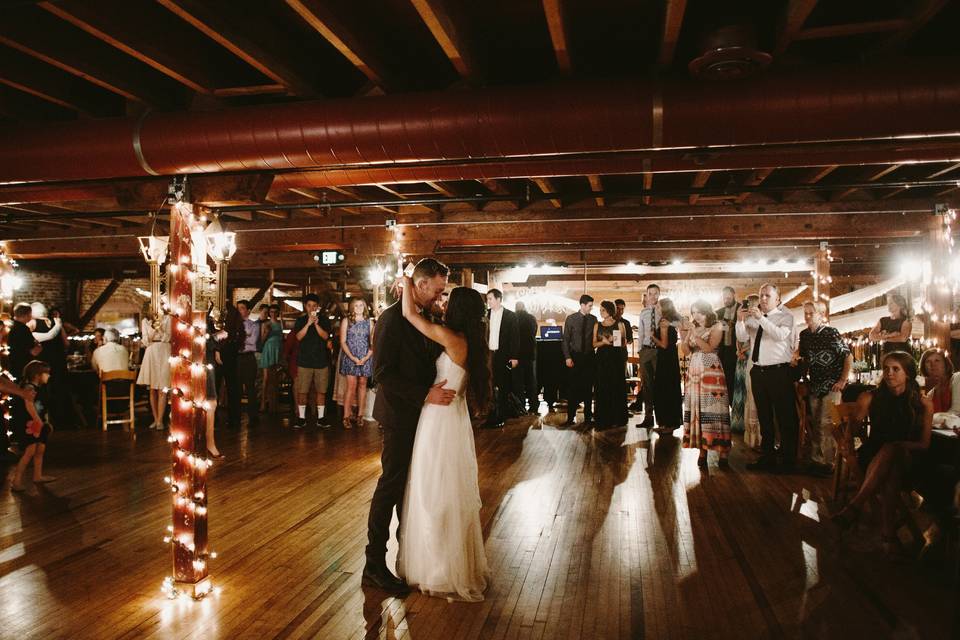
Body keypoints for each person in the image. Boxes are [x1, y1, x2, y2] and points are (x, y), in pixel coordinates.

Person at [396, 275, 491, 601]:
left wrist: (406, 280)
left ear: (459, 309)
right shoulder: (469, 341)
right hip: (452, 418)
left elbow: (409, 315)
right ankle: (444, 564)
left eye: (449, 301)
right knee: (445, 490)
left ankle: (438, 568)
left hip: (438, 419)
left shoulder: (453, 339)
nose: (443, 303)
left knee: (433, 491)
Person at [363, 258, 454, 595]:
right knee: (390, 487)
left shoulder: (426, 316)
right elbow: (382, 373)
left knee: (411, 490)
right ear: (419, 284)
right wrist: (425, 395)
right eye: (438, 290)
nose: (440, 297)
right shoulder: (390, 319)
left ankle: (407, 557)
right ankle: (374, 564)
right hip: (399, 416)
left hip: (423, 418)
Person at [831, 352, 933, 556]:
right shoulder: (869, 397)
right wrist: (846, 443)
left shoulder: (923, 403)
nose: (889, 373)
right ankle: (888, 535)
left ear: (908, 374)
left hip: (908, 458)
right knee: (890, 469)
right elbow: (851, 431)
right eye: (886, 368)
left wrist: (897, 445)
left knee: (892, 449)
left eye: (896, 369)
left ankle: (856, 505)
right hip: (873, 460)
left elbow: (923, 444)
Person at [736, 284, 800, 473]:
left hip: (779, 372)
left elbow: (779, 335)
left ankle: (788, 461)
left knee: (785, 417)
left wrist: (761, 318)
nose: (763, 299)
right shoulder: (756, 318)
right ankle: (768, 457)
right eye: (761, 295)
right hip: (758, 371)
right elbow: (742, 337)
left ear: (777, 299)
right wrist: (740, 320)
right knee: (764, 416)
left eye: (767, 296)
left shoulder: (786, 317)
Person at [797, 301, 852, 476]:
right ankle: (816, 460)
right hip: (814, 384)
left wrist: (842, 380)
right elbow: (804, 358)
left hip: (832, 384)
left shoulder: (831, 333)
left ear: (821, 315)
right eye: (805, 313)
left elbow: (847, 355)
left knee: (827, 423)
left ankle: (828, 462)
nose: (807, 316)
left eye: (811, 313)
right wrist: (803, 378)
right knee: (816, 424)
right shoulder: (804, 335)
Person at [680, 300, 732, 468]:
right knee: (699, 410)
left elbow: (710, 348)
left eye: (699, 313)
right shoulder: (694, 328)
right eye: (693, 312)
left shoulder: (717, 325)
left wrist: (694, 335)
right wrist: (684, 336)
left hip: (711, 369)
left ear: (707, 312)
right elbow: (686, 351)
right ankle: (702, 450)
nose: (696, 316)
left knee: (714, 408)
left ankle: (723, 452)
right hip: (695, 370)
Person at [10, 360, 56, 492]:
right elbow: (29, 405)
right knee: (29, 452)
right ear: (37, 375)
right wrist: (38, 420)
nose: (49, 376)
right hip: (32, 424)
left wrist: (45, 421)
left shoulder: (39, 389)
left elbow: (43, 407)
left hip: (39, 423)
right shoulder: (29, 389)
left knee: (40, 449)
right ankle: (16, 480)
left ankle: (37, 475)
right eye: (46, 373)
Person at [293, 293, 333, 429]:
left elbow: (325, 336)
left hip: (321, 361)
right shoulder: (300, 321)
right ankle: (301, 418)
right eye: (309, 305)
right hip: (304, 361)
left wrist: (316, 325)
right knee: (302, 391)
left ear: (318, 307)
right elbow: (298, 337)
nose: (311, 308)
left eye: (314, 306)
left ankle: (321, 418)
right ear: (305, 306)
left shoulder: (324, 320)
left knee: (321, 391)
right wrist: (308, 324)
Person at [484, 289, 518, 428]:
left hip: (503, 355)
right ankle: (490, 416)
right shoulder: (486, 314)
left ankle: (502, 416)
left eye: (490, 298)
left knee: (503, 385)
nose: (488, 301)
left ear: (498, 299)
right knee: (489, 385)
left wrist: (514, 357)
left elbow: (515, 337)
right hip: (488, 354)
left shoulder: (510, 315)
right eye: (488, 299)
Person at [339, 298, 375, 429]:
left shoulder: (369, 323)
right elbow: (343, 342)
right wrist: (353, 358)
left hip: (365, 357)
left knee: (362, 385)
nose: (359, 308)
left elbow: (373, 343)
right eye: (356, 306)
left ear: (364, 307)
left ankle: (360, 416)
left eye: (361, 305)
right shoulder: (346, 321)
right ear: (352, 307)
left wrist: (366, 358)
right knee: (351, 386)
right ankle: (346, 416)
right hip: (350, 357)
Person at [731, 295, 761, 449]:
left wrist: (744, 350)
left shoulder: (761, 319)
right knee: (743, 391)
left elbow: (752, 341)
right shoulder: (745, 320)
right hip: (743, 357)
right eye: (749, 304)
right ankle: (742, 425)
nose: (750, 306)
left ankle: (759, 436)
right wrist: (738, 350)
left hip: (753, 356)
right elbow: (740, 336)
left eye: (753, 303)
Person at [561, 294, 597, 426]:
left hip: (589, 357)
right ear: (582, 305)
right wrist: (567, 357)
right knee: (573, 388)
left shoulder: (594, 319)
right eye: (589, 306)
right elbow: (565, 340)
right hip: (575, 356)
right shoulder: (571, 319)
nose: (591, 308)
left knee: (588, 388)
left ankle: (588, 418)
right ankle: (570, 418)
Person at [592, 300, 628, 429]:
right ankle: (603, 418)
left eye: (603, 310)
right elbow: (594, 344)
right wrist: (604, 342)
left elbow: (621, 343)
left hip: (615, 358)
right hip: (601, 358)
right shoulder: (597, 325)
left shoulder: (619, 324)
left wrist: (614, 340)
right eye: (600, 310)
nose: (601, 312)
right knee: (602, 387)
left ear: (609, 310)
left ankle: (617, 418)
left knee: (616, 386)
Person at [651, 298, 682, 434]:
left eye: (658, 306)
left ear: (664, 308)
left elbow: (663, 344)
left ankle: (667, 424)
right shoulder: (672, 322)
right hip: (671, 359)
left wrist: (652, 337)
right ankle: (668, 423)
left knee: (663, 390)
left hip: (665, 360)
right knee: (670, 389)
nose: (657, 308)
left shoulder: (664, 322)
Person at [136, 309, 171, 430]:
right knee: (152, 389)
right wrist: (153, 328)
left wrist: (160, 327)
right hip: (151, 351)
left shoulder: (168, 319)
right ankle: (155, 419)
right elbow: (146, 341)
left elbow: (167, 337)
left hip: (164, 350)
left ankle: (160, 420)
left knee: (162, 389)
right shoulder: (145, 321)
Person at [636, 284, 661, 428]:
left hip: (659, 352)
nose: (652, 296)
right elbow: (640, 333)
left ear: (659, 295)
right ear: (647, 295)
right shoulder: (643, 312)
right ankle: (648, 417)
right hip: (645, 351)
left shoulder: (663, 312)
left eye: (655, 293)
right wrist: (640, 351)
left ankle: (661, 418)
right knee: (647, 386)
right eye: (650, 293)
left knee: (659, 385)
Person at [235, 300, 260, 428]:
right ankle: (236, 417)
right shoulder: (233, 325)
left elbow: (252, 341)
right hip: (237, 358)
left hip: (248, 357)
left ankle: (253, 417)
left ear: (248, 311)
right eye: (238, 308)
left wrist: (240, 339)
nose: (239, 311)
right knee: (237, 389)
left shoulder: (254, 325)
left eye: (242, 308)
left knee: (250, 388)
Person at [513, 301, 539, 414]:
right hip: (530, 354)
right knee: (531, 381)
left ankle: (521, 406)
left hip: (516, 355)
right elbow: (534, 333)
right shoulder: (531, 318)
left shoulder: (513, 318)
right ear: (524, 307)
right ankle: (534, 406)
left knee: (518, 382)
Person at [715, 286, 739, 405]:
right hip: (724, 352)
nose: (726, 299)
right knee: (726, 381)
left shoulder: (741, 308)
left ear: (734, 295)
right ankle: (729, 406)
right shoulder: (718, 313)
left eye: (728, 297)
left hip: (739, 351)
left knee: (738, 381)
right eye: (724, 297)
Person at [258, 304, 283, 413]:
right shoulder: (266, 324)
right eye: (271, 312)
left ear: (278, 312)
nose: (273, 313)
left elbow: (282, 339)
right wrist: (267, 332)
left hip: (277, 350)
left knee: (275, 379)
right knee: (266, 378)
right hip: (268, 349)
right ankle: (263, 403)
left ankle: (274, 404)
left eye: (275, 311)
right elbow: (261, 340)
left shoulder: (281, 323)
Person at [919, 349, 954, 413]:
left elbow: (957, 411)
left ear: (945, 364)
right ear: (924, 367)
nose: (933, 365)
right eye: (928, 361)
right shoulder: (927, 390)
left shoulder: (956, 378)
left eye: (937, 361)